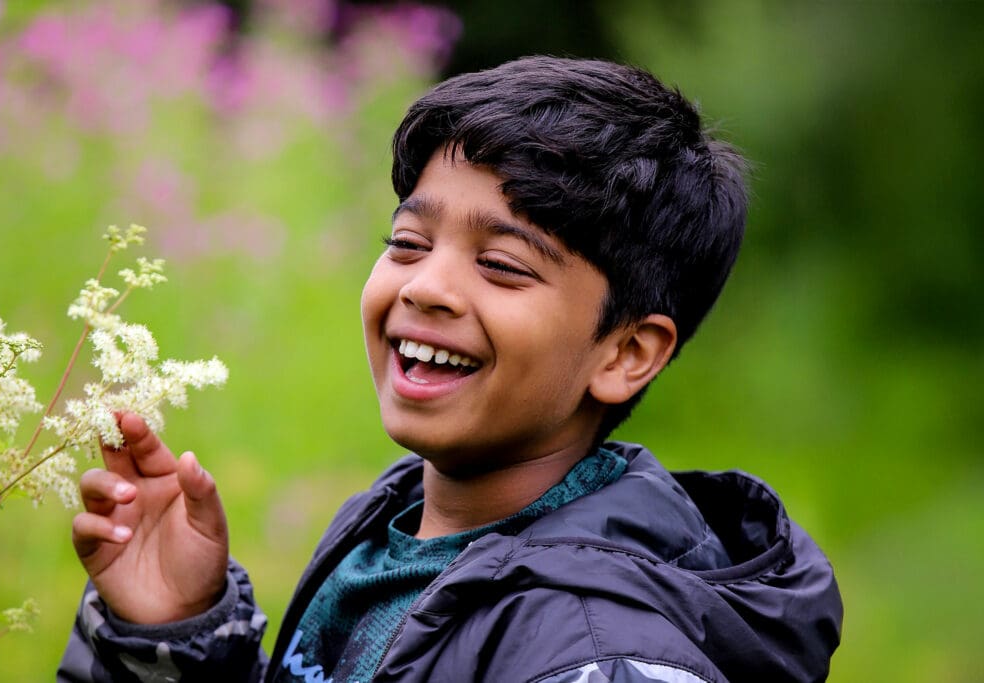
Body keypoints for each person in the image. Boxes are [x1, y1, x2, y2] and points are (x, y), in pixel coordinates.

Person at [58, 56, 842, 683]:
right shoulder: (387, 528)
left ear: (625, 353)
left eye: (501, 264)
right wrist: (172, 637)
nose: (426, 286)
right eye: (407, 243)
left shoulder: (594, 656)